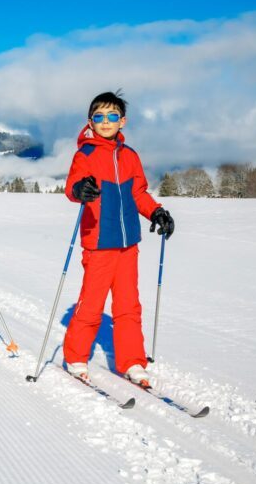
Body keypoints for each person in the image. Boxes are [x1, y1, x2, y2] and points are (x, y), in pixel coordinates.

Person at [61, 91, 174, 386]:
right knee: (92, 304)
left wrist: (157, 212)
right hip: (98, 243)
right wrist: (79, 190)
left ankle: (133, 362)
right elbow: (72, 185)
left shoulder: (130, 156)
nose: (106, 121)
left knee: (128, 305)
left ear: (122, 121)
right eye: (99, 116)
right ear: (90, 122)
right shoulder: (84, 154)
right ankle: (75, 357)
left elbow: (138, 193)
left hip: (128, 245)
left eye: (112, 116)